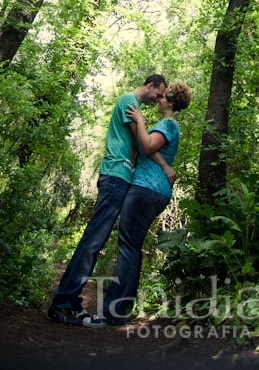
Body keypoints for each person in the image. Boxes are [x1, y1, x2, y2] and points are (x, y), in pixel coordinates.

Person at [47, 73, 173, 326]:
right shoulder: (130, 102)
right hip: (115, 176)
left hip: (122, 177)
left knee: (96, 240)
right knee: (93, 240)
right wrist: (163, 163)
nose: (159, 99)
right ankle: (62, 303)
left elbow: (139, 147)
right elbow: (142, 142)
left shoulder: (135, 107)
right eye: (158, 94)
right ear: (150, 86)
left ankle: (70, 301)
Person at [82, 79, 192, 329]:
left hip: (146, 188)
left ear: (170, 101)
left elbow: (148, 144)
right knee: (131, 246)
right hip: (150, 188)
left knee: (128, 248)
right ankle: (118, 311)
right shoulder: (166, 125)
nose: (159, 99)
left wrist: (140, 121)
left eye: (163, 97)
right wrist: (163, 163)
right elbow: (151, 151)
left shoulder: (167, 124)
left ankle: (112, 313)